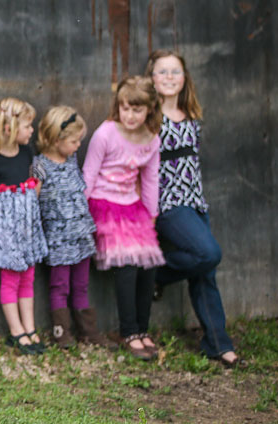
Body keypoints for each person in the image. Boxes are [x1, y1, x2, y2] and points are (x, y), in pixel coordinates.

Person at [145, 50, 240, 368]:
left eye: (175, 72)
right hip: (167, 205)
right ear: (152, 78)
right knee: (208, 254)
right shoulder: (148, 116)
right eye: (162, 72)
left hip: (195, 202)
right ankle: (155, 273)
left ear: (185, 78)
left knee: (205, 272)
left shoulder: (191, 115)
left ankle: (217, 344)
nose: (169, 77)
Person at [82, 76, 165, 360]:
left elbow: (150, 179)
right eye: (125, 108)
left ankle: (143, 329)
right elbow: (89, 174)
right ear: (118, 106)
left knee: (148, 265)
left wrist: (151, 215)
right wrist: (82, 215)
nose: (130, 115)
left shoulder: (152, 139)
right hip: (103, 204)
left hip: (132, 206)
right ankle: (128, 331)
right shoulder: (106, 133)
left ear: (150, 110)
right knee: (128, 265)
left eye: (137, 110)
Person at [32, 106, 113, 349]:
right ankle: (61, 331)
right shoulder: (40, 167)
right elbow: (33, 203)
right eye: (75, 141)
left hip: (80, 235)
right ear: (57, 140)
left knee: (81, 284)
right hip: (58, 238)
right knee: (60, 285)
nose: (79, 145)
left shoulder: (71, 160)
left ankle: (87, 331)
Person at [0, 97, 48, 355]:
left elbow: (32, 188)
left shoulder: (27, 153)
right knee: (10, 280)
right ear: (9, 128)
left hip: (27, 229)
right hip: (6, 233)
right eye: (28, 126)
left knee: (28, 276)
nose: (32, 131)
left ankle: (30, 328)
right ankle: (16, 331)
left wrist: (36, 185)